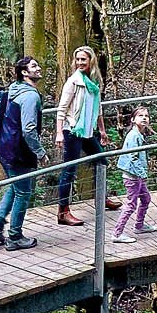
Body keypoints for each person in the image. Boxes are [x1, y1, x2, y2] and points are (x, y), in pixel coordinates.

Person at [0, 57, 47, 248]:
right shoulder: (30, 96)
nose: (38, 68)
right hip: (18, 151)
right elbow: (29, 129)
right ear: (24, 72)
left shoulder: (14, 88)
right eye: (34, 66)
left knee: (15, 187)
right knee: (23, 192)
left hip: (4, 146)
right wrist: (40, 152)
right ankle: (15, 237)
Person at [54, 45, 109, 225]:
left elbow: (97, 108)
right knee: (69, 170)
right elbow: (61, 109)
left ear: (90, 61)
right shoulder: (73, 82)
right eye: (77, 59)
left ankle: (102, 197)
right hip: (72, 131)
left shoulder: (93, 82)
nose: (80, 63)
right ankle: (63, 212)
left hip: (87, 132)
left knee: (101, 161)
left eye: (83, 59)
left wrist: (101, 130)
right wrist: (59, 133)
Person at [118, 104, 156, 237]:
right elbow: (133, 157)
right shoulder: (134, 136)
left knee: (145, 199)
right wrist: (142, 174)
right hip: (132, 176)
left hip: (137, 176)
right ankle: (117, 233)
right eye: (140, 116)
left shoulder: (139, 134)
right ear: (133, 119)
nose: (144, 118)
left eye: (146, 116)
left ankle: (139, 225)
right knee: (131, 205)